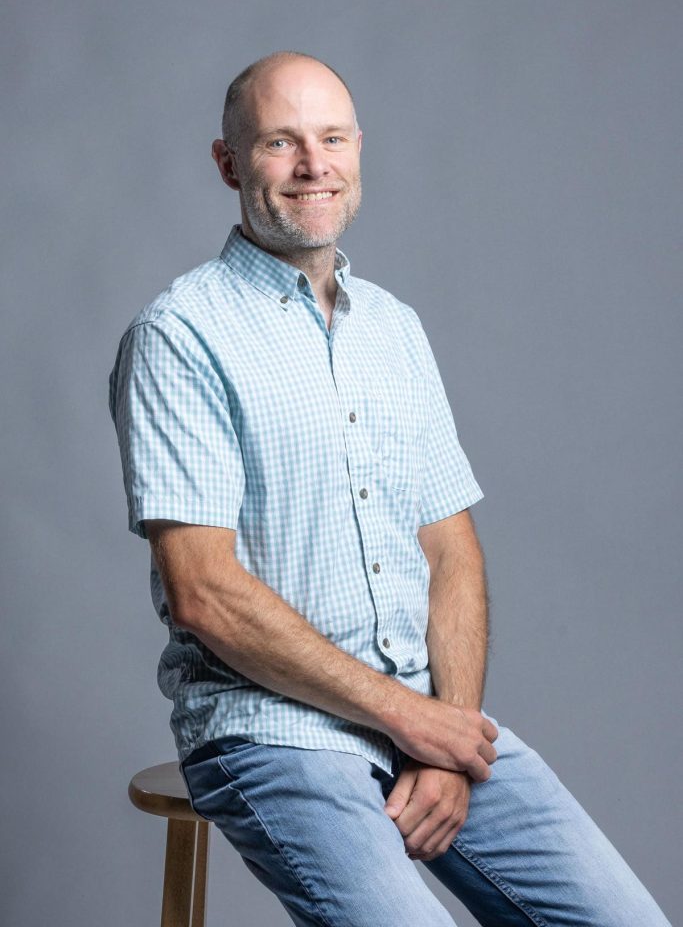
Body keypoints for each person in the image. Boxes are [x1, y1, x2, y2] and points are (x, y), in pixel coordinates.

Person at [108, 51, 671, 926]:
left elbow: (449, 551)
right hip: (269, 729)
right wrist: (410, 718)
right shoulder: (180, 335)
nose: (313, 165)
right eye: (280, 143)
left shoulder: (394, 329)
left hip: (424, 717)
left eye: (332, 139)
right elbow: (203, 595)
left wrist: (447, 733)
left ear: (357, 149)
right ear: (228, 163)